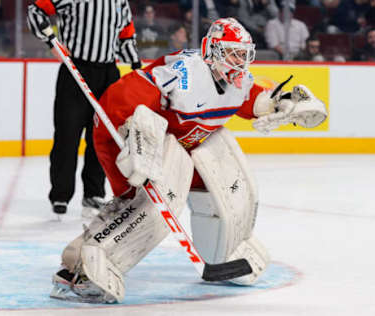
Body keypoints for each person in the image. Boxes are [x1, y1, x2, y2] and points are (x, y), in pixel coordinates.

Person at [49, 18, 327, 303]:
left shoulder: (238, 81)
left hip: (184, 144)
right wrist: (137, 139)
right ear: (211, 50)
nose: (240, 61)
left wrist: (282, 102)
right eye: (232, 53)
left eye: (244, 54)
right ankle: (82, 267)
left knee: (228, 170)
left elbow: (256, 100)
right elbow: (125, 97)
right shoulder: (186, 73)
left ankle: (226, 250)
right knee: (151, 205)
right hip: (133, 135)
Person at [26, 0, 141, 217]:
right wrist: (52, 41)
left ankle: (93, 192)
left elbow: (126, 34)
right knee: (67, 135)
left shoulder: (120, 2)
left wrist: (136, 65)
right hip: (75, 69)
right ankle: (60, 194)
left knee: (101, 136)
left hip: (108, 74)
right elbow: (35, 10)